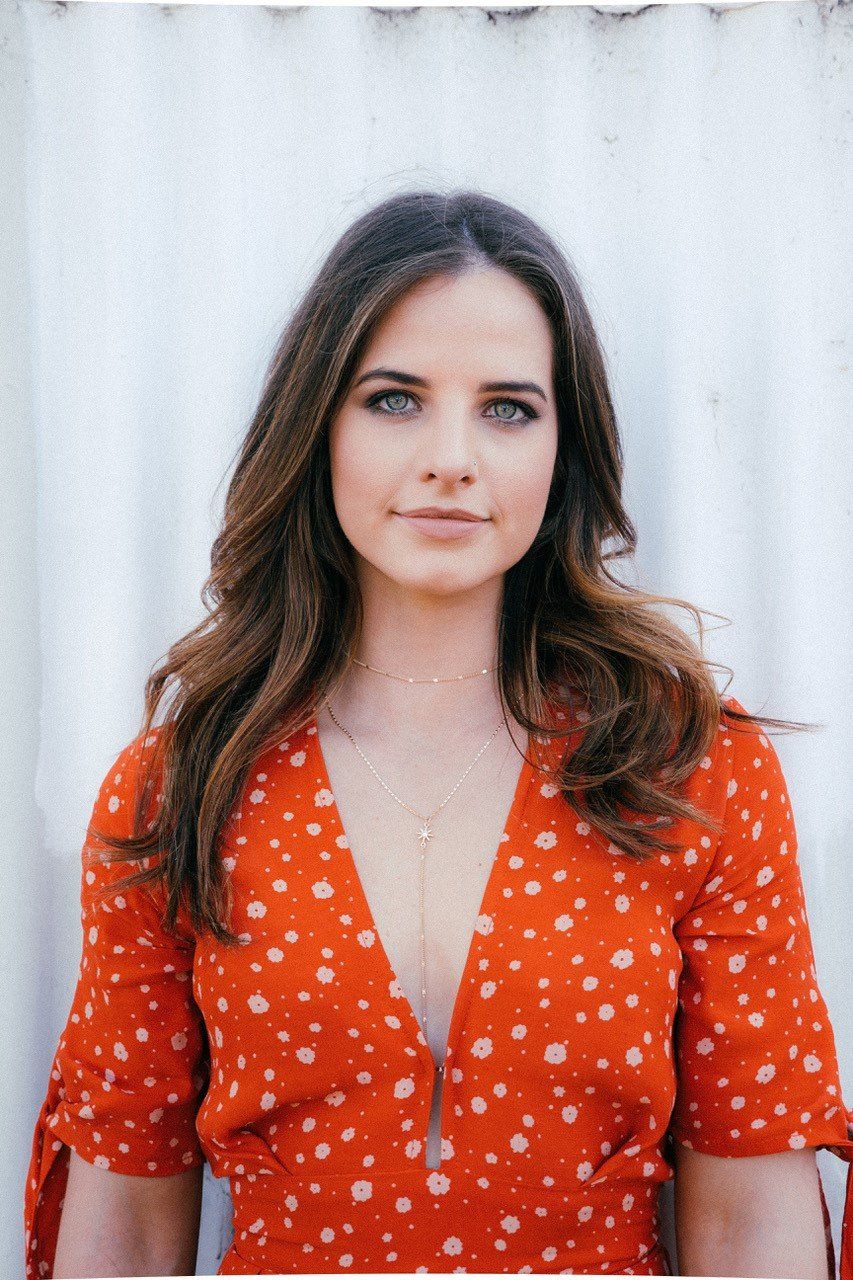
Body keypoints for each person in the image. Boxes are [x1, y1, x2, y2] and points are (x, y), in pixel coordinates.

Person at [24, 189, 852, 1278]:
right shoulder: (183, 787)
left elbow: (750, 1218)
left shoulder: (686, 769)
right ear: (316, 424)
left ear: (567, 445)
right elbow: (125, 1225)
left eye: (507, 406)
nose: (451, 457)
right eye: (394, 398)